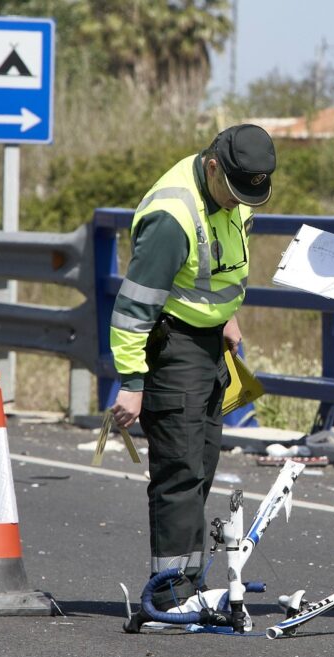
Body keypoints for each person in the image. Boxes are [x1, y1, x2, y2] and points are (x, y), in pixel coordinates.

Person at [108, 124, 276, 613]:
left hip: (209, 343)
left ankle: (187, 581)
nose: (238, 202)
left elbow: (221, 265)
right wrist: (132, 385)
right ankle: (169, 591)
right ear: (211, 167)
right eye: (234, 191)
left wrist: (227, 316)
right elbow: (133, 308)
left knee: (201, 464)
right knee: (178, 471)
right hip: (172, 343)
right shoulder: (172, 215)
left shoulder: (238, 192)